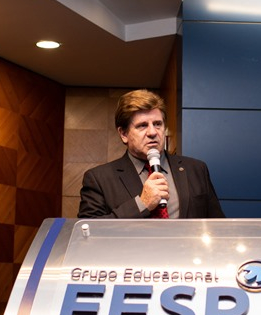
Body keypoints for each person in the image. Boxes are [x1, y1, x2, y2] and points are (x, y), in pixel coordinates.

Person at [78, 89, 225, 219]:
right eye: (142, 125)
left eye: (157, 124)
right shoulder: (99, 179)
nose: (153, 132)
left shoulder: (196, 169)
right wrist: (141, 204)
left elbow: (217, 226)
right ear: (123, 134)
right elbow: (88, 230)